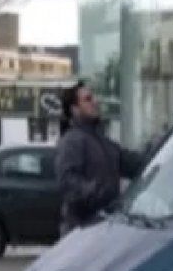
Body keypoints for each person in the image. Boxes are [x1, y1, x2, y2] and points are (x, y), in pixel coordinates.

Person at [55, 83, 144, 236]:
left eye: (94, 97)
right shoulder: (72, 141)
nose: (95, 102)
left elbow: (131, 163)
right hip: (81, 233)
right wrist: (100, 191)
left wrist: (164, 149)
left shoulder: (102, 140)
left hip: (105, 229)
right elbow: (67, 181)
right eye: (88, 99)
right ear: (74, 109)